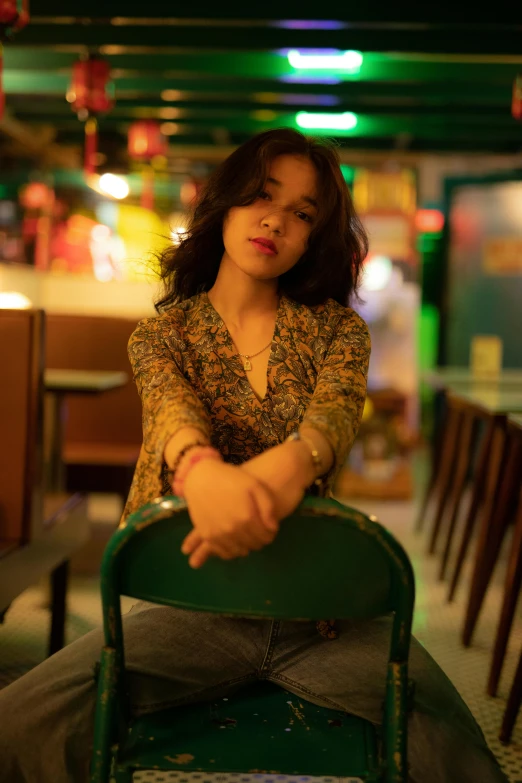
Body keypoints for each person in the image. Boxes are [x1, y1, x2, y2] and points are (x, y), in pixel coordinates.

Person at [0, 129, 506, 783]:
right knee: (19, 725)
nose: (276, 220)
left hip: (317, 612)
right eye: (262, 197)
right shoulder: (162, 334)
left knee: (457, 747)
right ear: (226, 202)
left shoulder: (336, 331)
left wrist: (261, 477)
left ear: (314, 237)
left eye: (303, 213)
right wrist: (201, 471)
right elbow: (173, 418)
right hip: (187, 609)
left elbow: (331, 423)